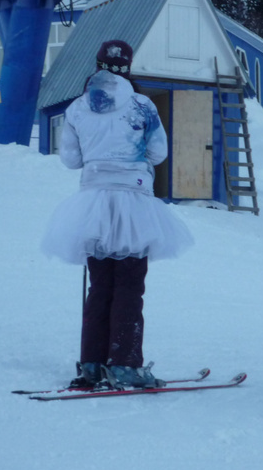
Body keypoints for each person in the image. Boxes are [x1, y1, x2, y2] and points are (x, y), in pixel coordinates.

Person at [41, 40, 194, 389]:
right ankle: (124, 364)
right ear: (128, 66)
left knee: (99, 287)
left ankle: (92, 365)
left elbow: (70, 160)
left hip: (93, 203)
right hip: (133, 200)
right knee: (129, 286)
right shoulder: (142, 106)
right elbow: (157, 153)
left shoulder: (78, 108)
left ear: (97, 65)